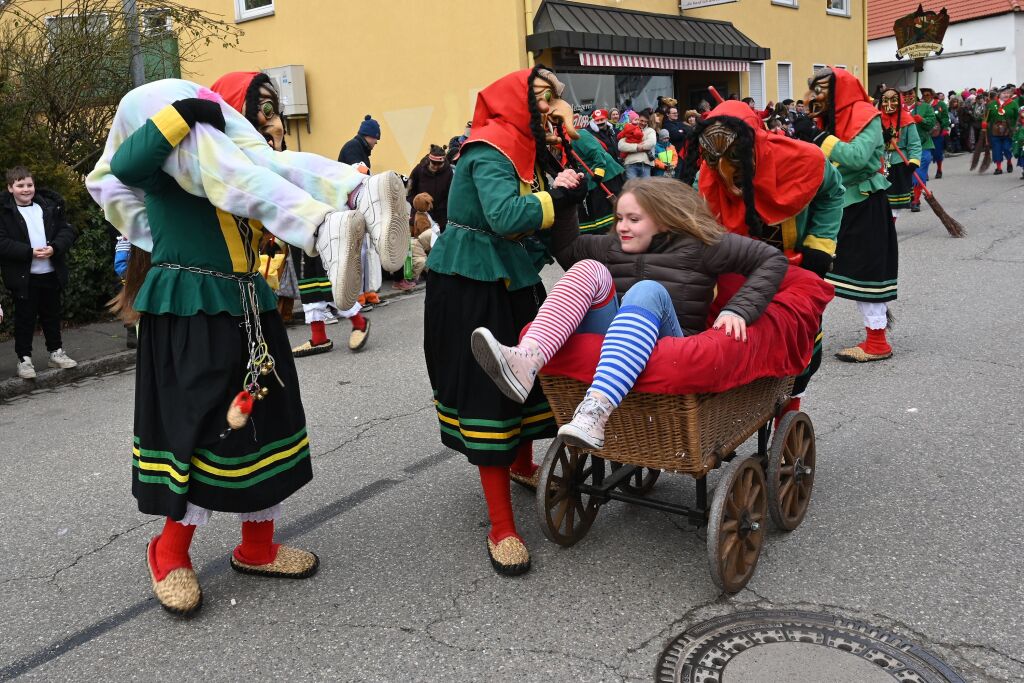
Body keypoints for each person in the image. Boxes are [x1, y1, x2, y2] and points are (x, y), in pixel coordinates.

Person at [88, 76, 409, 616]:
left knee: (267, 424)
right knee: (203, 431)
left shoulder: (251, 174)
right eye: (256, 110)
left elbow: (270, 200)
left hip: (248, 307)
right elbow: (124, 166)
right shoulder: (173, 156)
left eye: (270, 112)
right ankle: (168, 552)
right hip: (190, 307)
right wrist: (185, 111)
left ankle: (257, 546)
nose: (266, 122)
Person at [470, 177, 786, 450]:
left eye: (633, 220)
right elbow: (567, 250)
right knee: (587, 267)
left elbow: (771, 259)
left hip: (670, 345)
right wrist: (568, 199)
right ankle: (528, 359)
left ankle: (596, 411)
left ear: (663, 220)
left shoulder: (702, 246)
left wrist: (738, 310)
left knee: (646, 290)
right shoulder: (612, 247)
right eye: (619, 218)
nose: (622, 227)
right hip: (619, 342)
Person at [423, 65, 587, 576]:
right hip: (472, 285)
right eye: (540, 99)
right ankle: (501, 526)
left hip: (510, 277)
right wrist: (555, 197)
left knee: (530, 375)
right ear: (515, 102)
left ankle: (521, 464)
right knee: (488, 393)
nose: (548, 108)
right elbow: (505, 216)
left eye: (552, 99)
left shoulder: (522, 144)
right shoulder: (491, 145)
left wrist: (567, 169)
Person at [690, 100, 844, 411]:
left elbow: (833, 192)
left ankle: (787, 410)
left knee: (797, 348)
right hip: (735, 276)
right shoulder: (704, 179)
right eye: (715, 159)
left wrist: (819, 245)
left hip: (793, 271)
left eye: (734, 157)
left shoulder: (802, 159)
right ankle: (734, 416)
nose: (724, 170)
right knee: (729, 345)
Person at [797, 66, 897, 363]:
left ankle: (877, 342)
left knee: (865, 273)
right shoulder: (831, 117)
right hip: (833, 204)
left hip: (864, 203)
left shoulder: (868, 116)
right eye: (815, 90)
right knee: (816, 268)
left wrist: (820, 137)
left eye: (823, 90)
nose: (817, 96)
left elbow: (856, 157)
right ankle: (806, 338)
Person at [0, 166, 78, 379]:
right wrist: (29, 252)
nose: (26, 189)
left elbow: (67, 231)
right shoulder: (5, 213)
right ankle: (24, 360)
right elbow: (3, 242)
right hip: (24, 277)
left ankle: (56, 353)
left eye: (29, 185)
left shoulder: (49, 207)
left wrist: (55, 248)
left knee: (51, 315)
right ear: (10, 188)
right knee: (24, 319)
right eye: (20, 185)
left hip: (50, 272)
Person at [877, 86, 922, 211]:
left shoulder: (907, 120)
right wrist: (881, 137)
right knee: (880, 200)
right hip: (879, 164)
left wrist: (914, 161)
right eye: (886, 100)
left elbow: (914, 144)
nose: (890, 104)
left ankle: (891, 227)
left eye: (893, 100)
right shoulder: (876, 120)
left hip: (900, 163)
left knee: (896, 202)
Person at [901, 85, 935, 212]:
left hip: (923, 145)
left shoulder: (925, 107)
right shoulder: (898, 108)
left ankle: (916, 200)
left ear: (914, 93)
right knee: (907, 174)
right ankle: (909, 196)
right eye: (904, 94)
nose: (908, 96)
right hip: (904, 147)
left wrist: (922, 120)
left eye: (910, 93)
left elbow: (931, 123)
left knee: (919, 173)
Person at [985, 84, 1019, 175]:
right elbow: (985, 117)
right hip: (994, 130)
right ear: (999, 94)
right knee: (996, 149)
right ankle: (998, 168)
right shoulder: (991, 104)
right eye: (1004, 93)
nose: (1006, 95)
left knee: (1007, 148)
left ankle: (1009, 162)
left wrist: (1016, 127)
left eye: (1007, 93)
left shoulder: (1013, 104)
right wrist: (984, 122)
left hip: (1008, 130)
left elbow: (1018, 117)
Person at [618, 109, 656, 179]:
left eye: (645, 122)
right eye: (641, 120)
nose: (643, 123)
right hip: (630, 163)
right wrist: (637, 147)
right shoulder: (629, 129)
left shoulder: (650, 131)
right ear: (637, 119)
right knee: (632, 188)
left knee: (645, 189)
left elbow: (651, 143)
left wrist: (631, 147)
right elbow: (621, 146)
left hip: (645, 163)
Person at [920, 87, 949, 178]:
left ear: (932, 95)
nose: (925, 97)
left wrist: (945, 128)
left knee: (937, 153)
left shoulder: (941, 104)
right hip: (925, 132)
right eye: (924, 95)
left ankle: (939, 170)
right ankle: (925, 173)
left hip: (937, 132)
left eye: (927, 95)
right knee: (925, 155)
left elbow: (945, 117)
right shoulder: (921, 105)